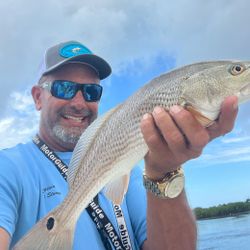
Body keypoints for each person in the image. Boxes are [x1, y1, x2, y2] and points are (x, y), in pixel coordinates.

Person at [0, 40, 238, 250]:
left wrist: (164, 173)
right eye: (64, 88)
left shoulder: (131, 171)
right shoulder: (8, 168)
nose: (79, 102)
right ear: (37, 97)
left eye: (92, 91)